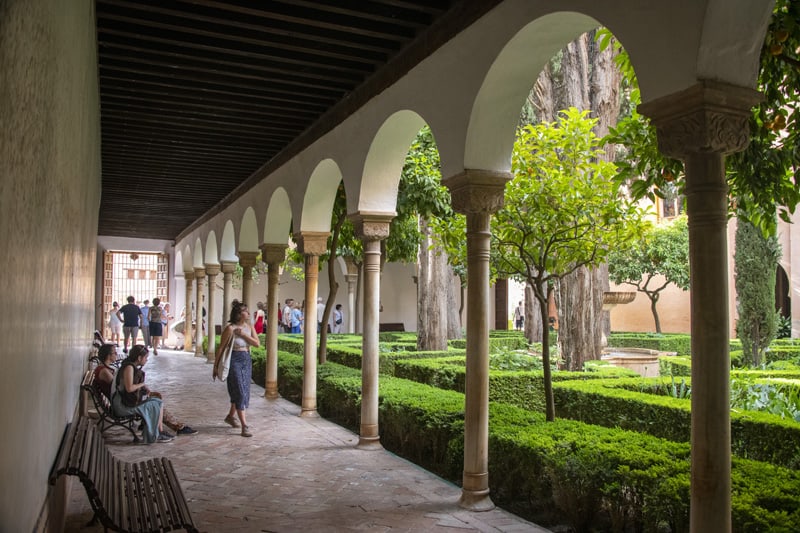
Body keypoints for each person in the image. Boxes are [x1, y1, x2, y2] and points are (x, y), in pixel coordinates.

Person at [95, 343, 198, 436]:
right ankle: (172, 427)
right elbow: (121, 387)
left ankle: (159, 425)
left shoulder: (108, 368)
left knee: (156, 396)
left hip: (123, 399)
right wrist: (141, 385)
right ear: (108, 355)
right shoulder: (105, 371)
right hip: (122, 403)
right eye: (114, 353)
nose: (116, 354)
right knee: (156, 400)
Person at [214, 301, 260, 437]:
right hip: (234, 359)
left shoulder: (249, 327)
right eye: (246, 311)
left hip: (246, 359)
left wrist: (243, 335)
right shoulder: (230, 328)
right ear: (239, 314)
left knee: (243, 390)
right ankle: (245, 426)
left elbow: (257, 344)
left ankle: (230, 416)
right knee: (240, 391)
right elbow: (221, 348)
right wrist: (215, 366)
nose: (248, 313)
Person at [111, 345, 173, 443]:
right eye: (145, 358)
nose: (146, 360)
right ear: (139, 358)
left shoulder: (130, 366)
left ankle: (159, 431)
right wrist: (142, 384)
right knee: (154, 404)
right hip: (122, 406)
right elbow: (129, 388)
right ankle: (153, 435)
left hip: (125, 401)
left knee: (158, 401)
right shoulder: (129, 368)